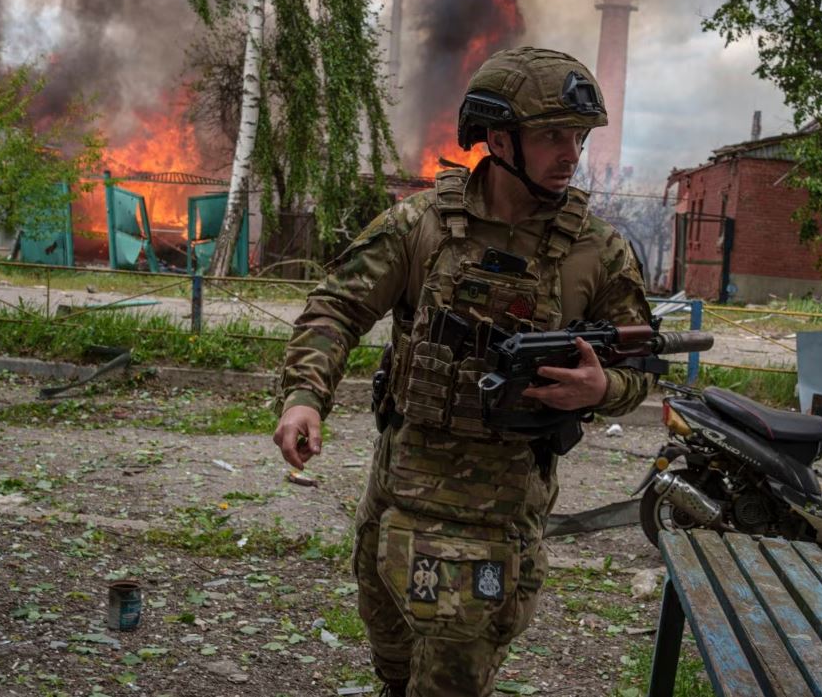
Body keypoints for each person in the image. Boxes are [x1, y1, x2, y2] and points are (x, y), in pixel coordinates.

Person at [274, 47, 653, 696]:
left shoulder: (597, 251)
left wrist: (604, 387)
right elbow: (336, 306)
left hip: (499, 515)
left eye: (578, 136)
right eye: (552, 136)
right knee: (390, 658)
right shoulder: (420, 225)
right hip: (400, 491)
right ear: (498, 139)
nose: (571, 153)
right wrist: (304, 396)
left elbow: (641, 366)